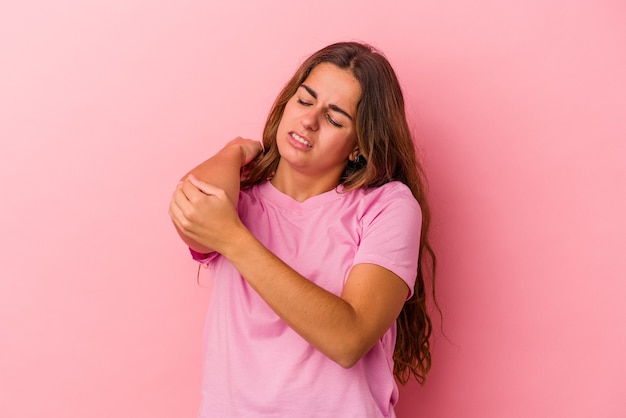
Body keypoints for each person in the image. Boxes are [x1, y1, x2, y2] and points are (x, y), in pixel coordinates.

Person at [169, 41, 437, 418]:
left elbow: (349, 339)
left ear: (358, 146)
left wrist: (231, 237)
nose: (309, 121)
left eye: (334, 118)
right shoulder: (239, 197)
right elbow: (191, 208)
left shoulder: (387, 207)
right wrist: (234, 151)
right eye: (305, 100)